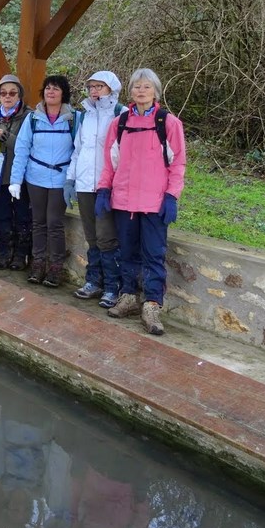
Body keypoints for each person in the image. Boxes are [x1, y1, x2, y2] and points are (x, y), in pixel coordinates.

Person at [95, 68, 185, 335]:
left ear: (155, 91)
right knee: (127, 253)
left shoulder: (168, 123)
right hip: (124, 201)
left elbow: (177, 163)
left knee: (154, 255)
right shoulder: (120, 123)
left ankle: (152, 305)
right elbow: (110, 162)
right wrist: (103, 190)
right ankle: (129, 297)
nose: (141, 91)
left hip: (155, 202)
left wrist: (171, 196)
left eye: (146, 86)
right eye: (136, 87)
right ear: (130, 91)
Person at [8, 75, 79, 288]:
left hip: (60, 179)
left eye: (56, 89)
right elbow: (22, 149)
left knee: (54, 223)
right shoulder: (33, 118)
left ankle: (55, 267)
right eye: (48, 88)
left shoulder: (74, 119)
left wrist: (73, 179)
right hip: (35, 178)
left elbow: (79, 151)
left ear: (63, 93)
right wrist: (15, 180)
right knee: (38, 222)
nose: (51, 92)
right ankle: (37, 264)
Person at [67, 71, 126, 309]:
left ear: (111, 89)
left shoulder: (120, 114)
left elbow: (123, 153)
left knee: (106, 237)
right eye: (91, 86)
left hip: (107, 186)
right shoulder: (84, 116)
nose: (94, 91)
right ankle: (94, 281)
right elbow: (77, 150)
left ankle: (113, 286)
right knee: (92, 237)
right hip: (84, 184)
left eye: (99, 86)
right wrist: (70, 180)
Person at [0, 74, 33, 270]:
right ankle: (3, 253)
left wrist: (7, 137)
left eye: (12, 93)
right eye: (3, 93)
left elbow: (29, 146)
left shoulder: (30, 116)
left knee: (22, 216)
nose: (7, 97)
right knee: (1, 215)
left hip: (21, 177)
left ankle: (21, 255)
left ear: (19, 95)